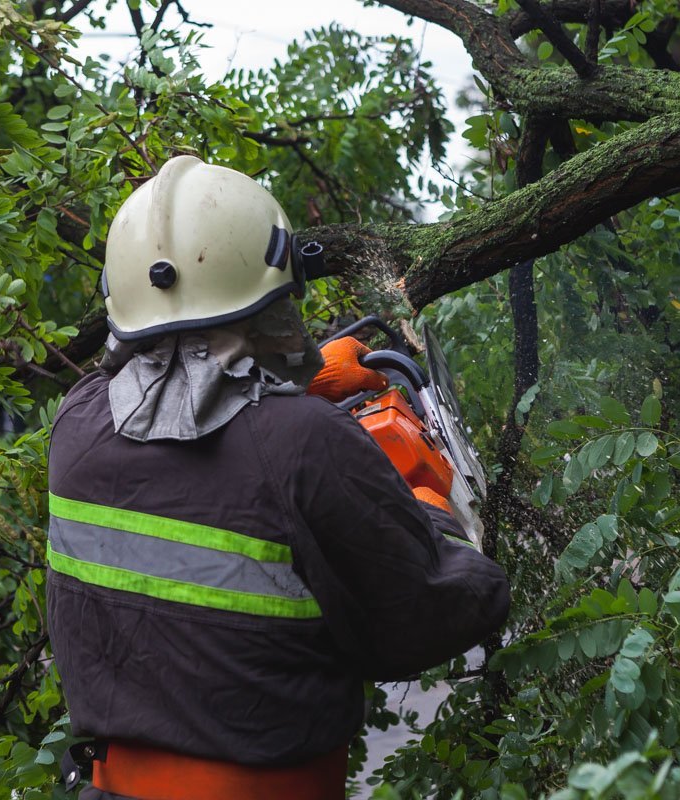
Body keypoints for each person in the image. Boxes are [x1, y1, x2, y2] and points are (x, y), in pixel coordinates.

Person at [45, 155, 510, 800]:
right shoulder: (304, 443)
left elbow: (172, 385)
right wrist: (433, 517)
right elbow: (428, 617)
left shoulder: (75, 427)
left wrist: (303, 386)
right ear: (273, 297)